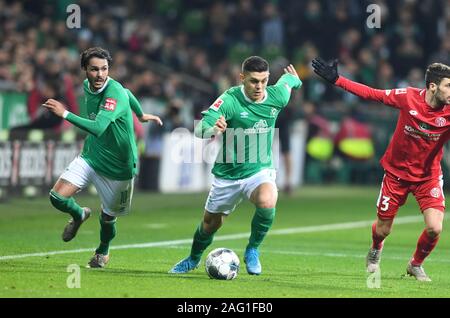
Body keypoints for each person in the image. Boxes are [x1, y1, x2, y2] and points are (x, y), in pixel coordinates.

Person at [312, 57, 450, 281]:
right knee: (383, 230)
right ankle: (376, 249)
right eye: (448, 85)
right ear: (432, 86)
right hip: (396, 175)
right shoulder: (407, 97)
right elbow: (371, 94)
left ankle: (415, 264)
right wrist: (338, 80)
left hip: (428, 177)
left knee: (435, 227)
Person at [169, 56, 302, 275]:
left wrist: (296, 79)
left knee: (267, 200)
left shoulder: (278, 96)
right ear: (242, 78)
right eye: (253, 81)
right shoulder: (230, 100)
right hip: (228, 174)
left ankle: (253, 249)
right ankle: (193, 258)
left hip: (259, 170)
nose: (259, 86)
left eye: (263, 80)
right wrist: (214, 130)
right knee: (210, 224)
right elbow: (200, 129)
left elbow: (290, 81)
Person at [43, 47, 162, 268]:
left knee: (108, 218)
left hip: (120, 167)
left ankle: (102, 252)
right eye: (94, 69)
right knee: (57, 197)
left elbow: (98, 127)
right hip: (92, 155)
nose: (100, 75)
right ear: (85, 70)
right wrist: (140, 114)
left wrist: (65, 113)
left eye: (105, 69)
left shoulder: (112, 91)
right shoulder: (88, 86)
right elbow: (128, 93)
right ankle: (79, 214)